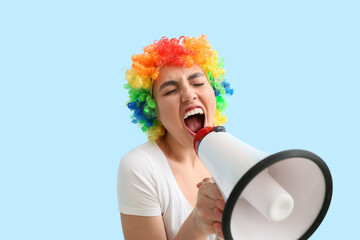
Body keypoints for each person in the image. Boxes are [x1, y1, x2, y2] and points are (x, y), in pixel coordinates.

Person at [117, 35, 233, 240]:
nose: (189, 95)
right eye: (170, 91)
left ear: (214, 92)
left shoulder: (230, 153)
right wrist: (197, 224)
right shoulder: (140, 167)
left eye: (197, 82)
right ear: (152, 111)